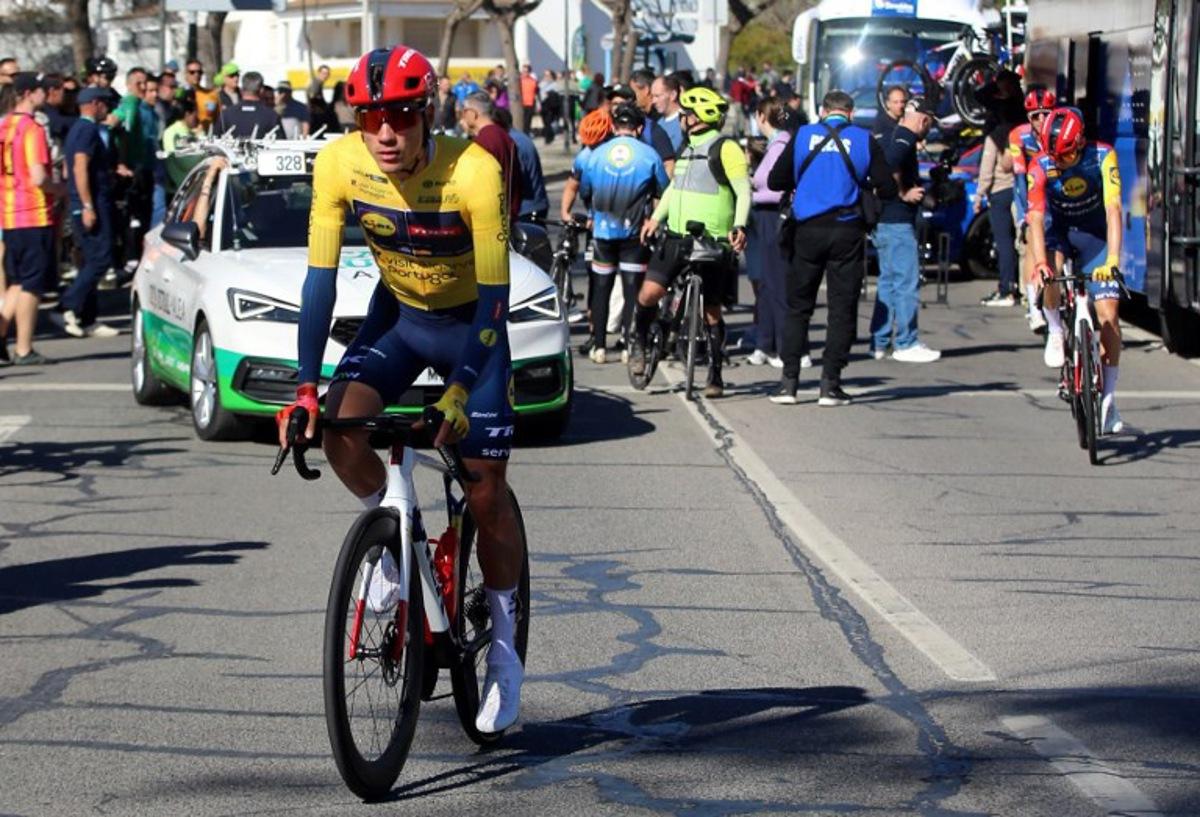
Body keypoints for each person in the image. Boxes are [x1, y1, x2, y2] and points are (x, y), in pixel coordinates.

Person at [276, 44, 526, 733]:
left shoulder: (473, 171)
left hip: (471, 330)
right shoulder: (338, 162)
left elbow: (496, 301)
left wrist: (462, 388)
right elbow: (320, 281)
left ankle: (504, 648)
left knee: (486, 487)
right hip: (401, 322)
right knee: (335, 426)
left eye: (402, 116)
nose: (385, 132)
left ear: (427, 113)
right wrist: (303, 384)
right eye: (370, 116)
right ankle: (390, 545)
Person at [766, 89, 898, 406]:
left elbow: (775, 180)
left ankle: (789, 383)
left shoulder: (801, 136)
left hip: (807, 229)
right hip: (847, 229)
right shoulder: (864, 139)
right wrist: (862, 185)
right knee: (841, 308)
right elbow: (888, 187)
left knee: (799, 307)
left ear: (823, 112)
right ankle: (830, 384)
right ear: (850, 114)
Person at [634, 86, 750, 398]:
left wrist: (739, 225)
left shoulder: (727, 148)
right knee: (648, 294)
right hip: (676, 237)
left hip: (712, 242)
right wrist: (656, 217)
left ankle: (715, 375)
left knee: (711, 311)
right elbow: (674, 189)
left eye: (686, 115)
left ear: (697, 119)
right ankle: (640, 342)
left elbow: (743, 192)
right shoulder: (686, 147)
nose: (682, 119)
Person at [1027, 107, 1127, 433]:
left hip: (1094, 236)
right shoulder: (1041, 163)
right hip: (1058, 232)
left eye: (1064, 156)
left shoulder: (1103, 156)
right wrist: (1040, 263)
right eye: (1052, 155)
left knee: (1109, 316)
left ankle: (1109, 402)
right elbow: (1036, 219)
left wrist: (1113, 260)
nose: (1057, 161)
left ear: (1080, 142)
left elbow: (1113, 209)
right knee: (1051, 274)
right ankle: (1055, 329)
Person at [577, 103, 669, 362]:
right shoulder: (649, 154)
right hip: (634, 233)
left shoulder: (595, 154)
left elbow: (585, 190)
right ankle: (629, 345)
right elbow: (664, 189)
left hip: (603, 232)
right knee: (632, 290)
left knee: (601, 288)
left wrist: (594, 212)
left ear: (614, 126)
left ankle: (599, 346)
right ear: (639, 128)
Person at [870, 98, 941, 363]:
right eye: (929, 125)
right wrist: (903, 193)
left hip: (885, 219)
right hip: (897, 220)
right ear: (923, 120)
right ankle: (906, 342)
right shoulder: (904, 137)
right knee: (906, 282)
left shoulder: (891, 133)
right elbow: (888, 168)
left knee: (888, 282)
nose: (928, 130)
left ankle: (879, 340)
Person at [0, 73, 60, 365]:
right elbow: (38, 177)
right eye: (40, 90)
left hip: (9, 213)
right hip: (33, 213)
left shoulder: (4, 124)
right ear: (27, 94)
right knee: (31, 284)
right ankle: (23, 347)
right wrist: (60, 188)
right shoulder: (31, 128)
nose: (45, 94)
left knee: (17, 281)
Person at [60, 86, 121, 339]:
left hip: (87, 201)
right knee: (100, 259)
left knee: (90, 260)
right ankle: (66, 306)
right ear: (95, 103)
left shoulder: (78, 129)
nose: (108, 108)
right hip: (91, 203)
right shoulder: (86, 130)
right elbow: (78, 168)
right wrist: (86, 205)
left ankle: (88, 317)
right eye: (105, 103)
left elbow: (66, 169)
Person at [745, 97, 795, 370]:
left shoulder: (780, 145)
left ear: (762, 117)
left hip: (774, 216)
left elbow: (775, 185)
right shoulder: (778, 144)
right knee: (765, 284)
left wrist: (752, 190)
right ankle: (765, 342)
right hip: (765, 216)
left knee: (776, 283)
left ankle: (782, 347)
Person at [1008, 86, 1056, 332]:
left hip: (1055, 196)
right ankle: (1034, 308)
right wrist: (1026, 214)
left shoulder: (1059, 132)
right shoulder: (1019, 136)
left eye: (1045, 114)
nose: (1041, 120)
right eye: (1035, 115)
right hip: (1028, 194)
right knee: (1030, 246)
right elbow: (1019, 177)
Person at [459, 91, 521, 223]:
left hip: (490, 220)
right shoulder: (504, 136)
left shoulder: (483, 142)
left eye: (464, 112)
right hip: (508, 215)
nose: (462, 117)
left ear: (472, 113)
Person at [976, 120, 1017, 306]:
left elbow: (986, 170)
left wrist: (979, 195)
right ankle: (1017, 286)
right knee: (1019, 242)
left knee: (1003, 242)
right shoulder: (1019, 134)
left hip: (999, 192)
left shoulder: (995, 137)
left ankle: (1005, 288)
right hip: (1017, 191)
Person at [605, 82, 675, 176]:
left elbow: (669, 164)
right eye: (615, 104)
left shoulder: (651, 130)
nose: (617, 108)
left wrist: (662, 188)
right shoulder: (605, 128)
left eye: (622, 104)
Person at [217, 71, 283, 138]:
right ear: (261, 90)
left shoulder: (226, 115)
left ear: (242, 89)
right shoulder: (271, 116)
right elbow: (281, 144)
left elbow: (215, 141)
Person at [651, 72, 685, 152]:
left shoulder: (685, 122)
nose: (653, 101)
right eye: (652, 96)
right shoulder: (657, 124)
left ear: (673, 95)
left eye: (657, 96)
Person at [538, 69, 562, 144]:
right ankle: (549, 135)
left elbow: (557, 96)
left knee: (548, 122)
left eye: (548, 75)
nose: (546, 77)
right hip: (543, 105)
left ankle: (548, 138)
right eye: (545, 75)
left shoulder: (555, 85)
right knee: (545, 122)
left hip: (551, 107)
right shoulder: (541, 84)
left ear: (551, 76)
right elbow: (538, 95)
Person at [519, 64, 538, 133]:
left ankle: (526, 133)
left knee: (528, 120)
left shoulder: (533, 81)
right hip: (521, 103)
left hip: (530, 103)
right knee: (522, 120)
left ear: (529, 72)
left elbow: (536, 92)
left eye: (526, 71)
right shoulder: (519, 80)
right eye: (523, 71)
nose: (525, 73)